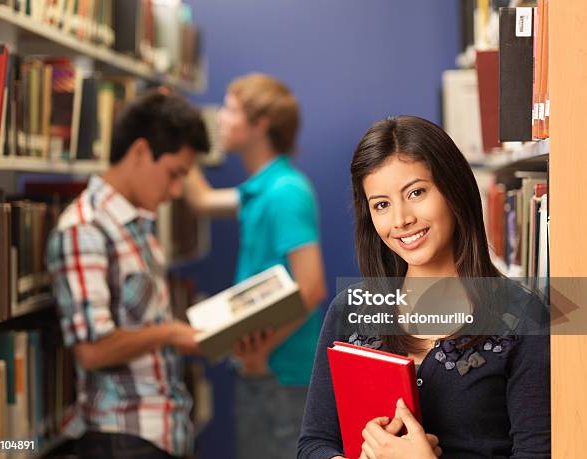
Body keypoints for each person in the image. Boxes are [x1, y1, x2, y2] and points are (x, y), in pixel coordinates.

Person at [298, 116, 551, 458]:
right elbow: (313, 444)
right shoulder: (352, 309)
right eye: (381, 205)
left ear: (453, 189)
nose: (401, 219)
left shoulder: (522, 316)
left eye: (416, 192)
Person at [46, 90, 210, 459]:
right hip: (121, 438)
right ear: (139, 152)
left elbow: (141, 324)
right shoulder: (84, 229)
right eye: (173, 173)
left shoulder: (138, 224)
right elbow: (91, 350)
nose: (176, 190)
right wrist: (170, 333)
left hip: (164, 432)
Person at [183, 73, 327, 459]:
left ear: (259, 124)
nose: (220, 119)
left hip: (280, 375)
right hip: (264, 372)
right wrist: (179, 133)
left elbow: (312, 287)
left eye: (230, 109)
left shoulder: (285, 193)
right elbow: (200, 201)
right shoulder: (260, 191)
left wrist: (260, 352)